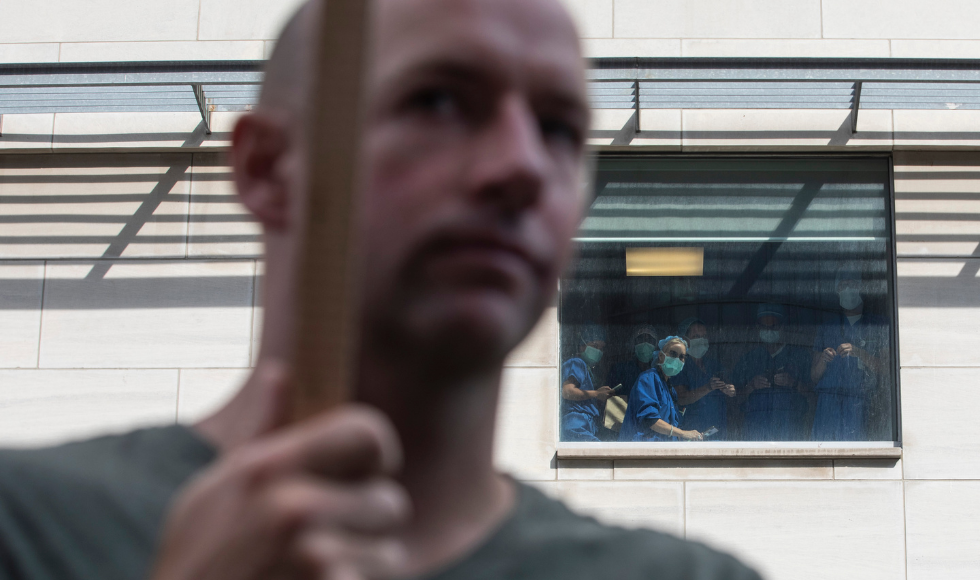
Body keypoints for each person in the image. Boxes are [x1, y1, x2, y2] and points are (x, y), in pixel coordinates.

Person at [0, 1, 762, 579]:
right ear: (266, 168)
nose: (521, 166)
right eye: (438, 101)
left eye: (559, 129)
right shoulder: (29, 531)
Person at [810, 267, 887, 441]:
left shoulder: (877, 326)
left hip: (859, 402)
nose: (847, 289)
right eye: (843, 285)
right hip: (828, 403)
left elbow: (885, 370)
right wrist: (823, 360)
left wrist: (860, 353)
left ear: (860, 288)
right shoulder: (827, 328)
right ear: (837, 290)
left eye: (852, 285)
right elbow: (814, 376)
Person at [732, 305, 811, 441]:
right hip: (755, 432)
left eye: (774, 326)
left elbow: (813, 396)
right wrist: (751, 386)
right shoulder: (749, 359)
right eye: (764, 327)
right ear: (758, 328)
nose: (769, 330)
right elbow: (733, 400)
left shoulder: (799, 356)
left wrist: (793, 383)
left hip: (791, 432)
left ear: (782, 327)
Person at [619, 337, 704, 442]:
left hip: (661, 449)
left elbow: (671, 426)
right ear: (660, 356)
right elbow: (650, 420)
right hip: (641, 450)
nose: (677, 359)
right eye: (673, 354)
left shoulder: (670, 389)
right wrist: (683, 433)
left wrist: (689, 436)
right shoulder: (648, 378)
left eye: (682, 357)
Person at [674, 318, 735, 439]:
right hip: (693, 431)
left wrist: (731, 390)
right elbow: (681, 398)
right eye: (696, 336)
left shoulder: (714, 365)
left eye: (704, 336)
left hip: (718, 430)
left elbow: (731, 388)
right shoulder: (680, 366)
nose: (701, 340)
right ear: (685, 340)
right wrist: (708, 387)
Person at [560, 327, 614, 442]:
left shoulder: (588, 370)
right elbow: (567, 391)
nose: (598, 350)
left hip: (585, 424)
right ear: (581, 345)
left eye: (601, 348)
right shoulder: (577, 362)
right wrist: (596, 394)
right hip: (575, 424)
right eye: (595, 346)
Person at [607, 325, 658, 399]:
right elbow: (609, 395)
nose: (645, 343)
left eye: (650, 340)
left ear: (656, 345)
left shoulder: (659, 370)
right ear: (633, 344)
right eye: (641, 339)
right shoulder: (620, 369)